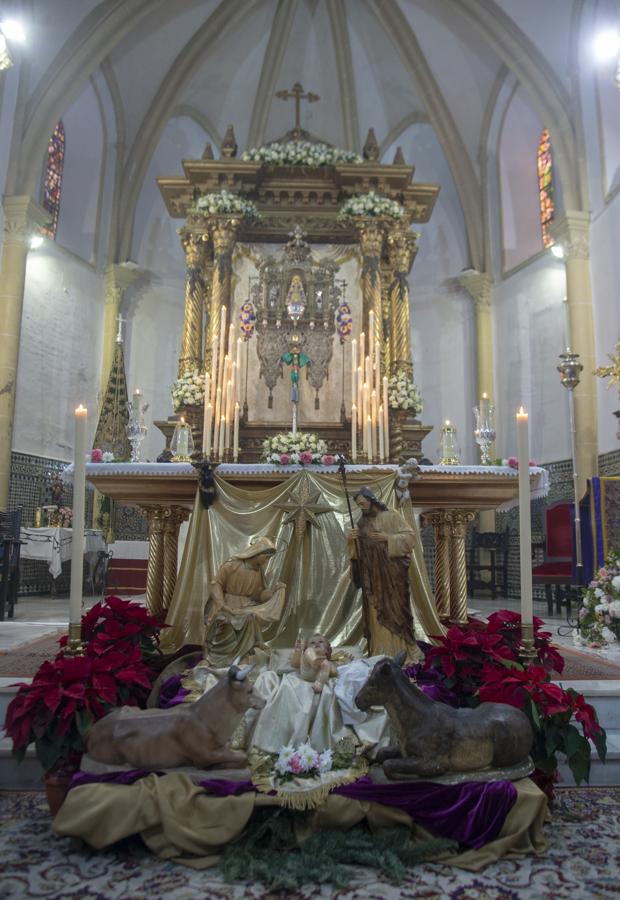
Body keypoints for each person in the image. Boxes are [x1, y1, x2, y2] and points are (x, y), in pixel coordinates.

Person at [345, 486, 418, 659]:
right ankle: (380, 651)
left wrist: (388, 538)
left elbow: (410, 538)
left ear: (372, 500)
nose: (362, 507)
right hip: (372, 577)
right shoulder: (362, 523)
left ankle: (401, 651)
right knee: (377, 612)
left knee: (397, 611)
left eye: (363, 503)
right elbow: (356, 554)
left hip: (393, 575)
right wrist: (351, 540)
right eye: (359, 505)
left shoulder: (391, 515)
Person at [203, 536, 286, 665]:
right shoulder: (232, 565)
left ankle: (242, 655)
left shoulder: (258, 572)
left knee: (250, 617)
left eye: (269, 558)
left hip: (246, 606)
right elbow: (216, 584)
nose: (266, 560)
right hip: (227, 603)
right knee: (227, 621)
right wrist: (221, 604)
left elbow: (258, 595)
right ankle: (219, 658)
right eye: (266, 556)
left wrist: (274, 592)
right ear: (257, 552)